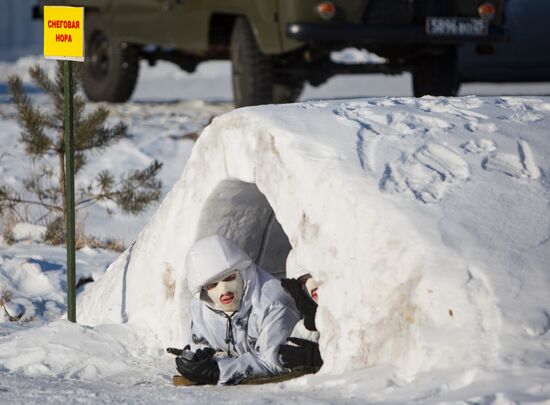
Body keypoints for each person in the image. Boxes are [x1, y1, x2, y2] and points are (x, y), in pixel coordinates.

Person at [175, 234, 300, 385]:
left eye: (229, 278)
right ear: (203, 290)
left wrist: (219, 371)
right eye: (212, 285)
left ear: (243, 272)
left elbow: (275, 362)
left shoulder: (274, 302)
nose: (224, 290)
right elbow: (201, 349)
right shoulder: (201, 307)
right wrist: (195, 361)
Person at [278, 250, 323, 370]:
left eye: (316, 274)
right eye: (303, 281)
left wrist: (319, 357)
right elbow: (287, 363)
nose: (312, 284)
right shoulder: (303, 328)